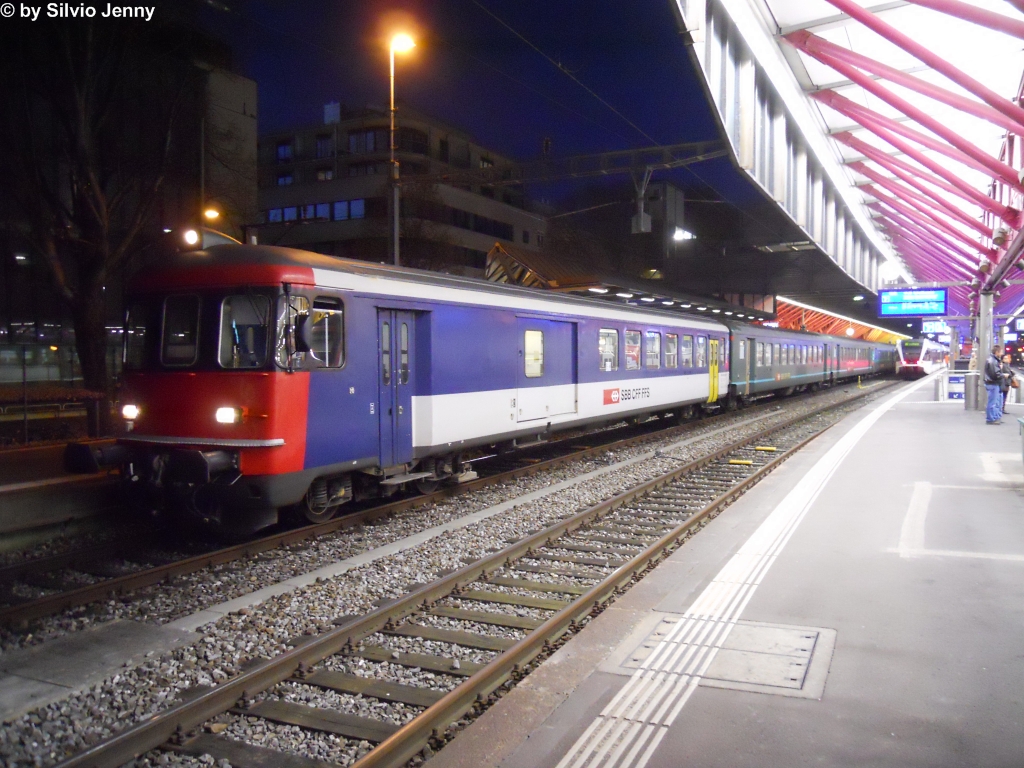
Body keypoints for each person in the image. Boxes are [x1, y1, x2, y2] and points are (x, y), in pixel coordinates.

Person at [984, 345, 1004, 424]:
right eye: (1001, 352)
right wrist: (1003, 375)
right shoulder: (993, 361)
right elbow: (995, 374)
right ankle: (991, 419)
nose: (1002, 353)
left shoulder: (993, 360)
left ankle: (994, 417)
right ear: (997, 352)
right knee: (992, 402)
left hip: (992, 383)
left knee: (994, 402)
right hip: (992, 383)